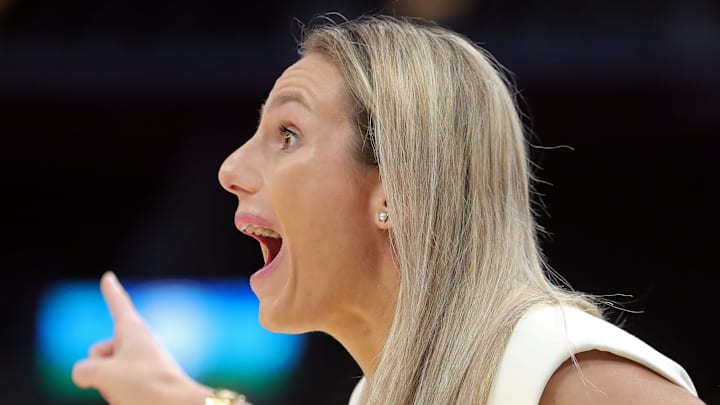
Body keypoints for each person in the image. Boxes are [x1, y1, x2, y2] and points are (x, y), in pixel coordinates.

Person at [71, 15, 705, 405]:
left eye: (287, 134)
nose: (230, 171)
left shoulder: (564, 372)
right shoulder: (381, 393)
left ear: (396, 191)